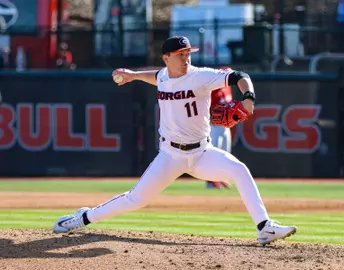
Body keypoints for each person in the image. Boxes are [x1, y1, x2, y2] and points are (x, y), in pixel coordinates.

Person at [52, 36, 297, 246]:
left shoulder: (201, 76)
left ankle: (264, 227)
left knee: (240, 171)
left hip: (202, 153)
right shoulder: (164, 77)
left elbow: (239, 76)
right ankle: (84, 217)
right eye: (180, 54)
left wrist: (249, 98)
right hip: (170, 156)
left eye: (188, 53)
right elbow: (157, 77)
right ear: (167, 58)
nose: (186, 58)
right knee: (137, 199)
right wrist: (134, 76)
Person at [206, 66, 233, 189]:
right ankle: (211, 181)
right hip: (215, 126)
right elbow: (206, 108)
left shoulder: (228, 89)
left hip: (225, 126)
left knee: (225, 155)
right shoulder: (213, 90)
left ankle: (221, 178)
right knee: (214, 154)